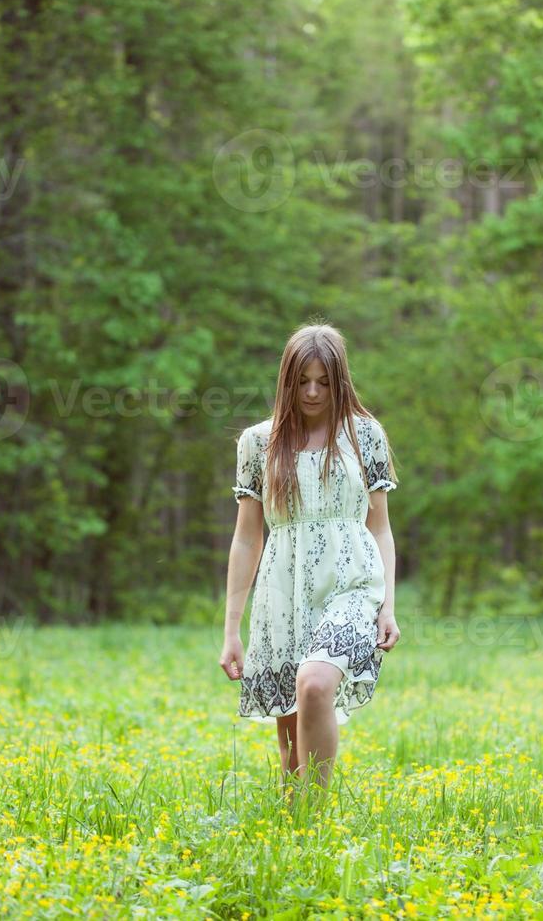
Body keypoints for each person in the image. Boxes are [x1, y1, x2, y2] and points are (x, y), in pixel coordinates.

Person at [219, 323, 402, 801]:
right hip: (283, 588)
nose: (313, 392)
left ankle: (316, 822)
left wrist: (389, 607)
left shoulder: (365, 436)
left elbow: (379, 526)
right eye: (303, 381)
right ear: (287, 381)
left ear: (340, 381)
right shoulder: (258, 444)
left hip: (354, 583)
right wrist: (231, 629)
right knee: (288, 742)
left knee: (316, 683)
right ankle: (293, 825)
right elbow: (246, 538)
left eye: (324, 381)